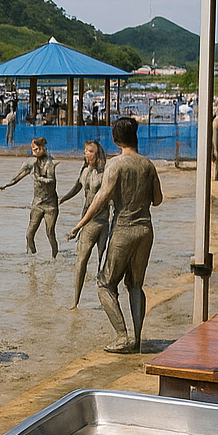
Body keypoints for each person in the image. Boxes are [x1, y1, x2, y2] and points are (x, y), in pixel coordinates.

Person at [69, 117, 163, 353]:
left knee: (105, 284)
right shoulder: (148, 164)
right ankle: (138, 339)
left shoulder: (116, 164)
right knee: (136, 285)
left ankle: (122, 336)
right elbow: (158, 200)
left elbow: (101, 199)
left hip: (123, 229)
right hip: (145, 230)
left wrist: (80, 223)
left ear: (115, 140)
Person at [59, 141, 109, 308]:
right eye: (85, 151)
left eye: (90, 151)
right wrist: (62, 199)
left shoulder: (106, 174)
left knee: (103, 265)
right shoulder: (85, 172)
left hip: (103, 222)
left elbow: (113, 200)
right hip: (87, 222)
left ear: (98, 154)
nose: (87, 155)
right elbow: (77, 188)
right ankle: (75, 302)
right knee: (80, 262)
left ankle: (106, 301)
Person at [1, 137, 60, 256]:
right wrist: (8, 184)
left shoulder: (49, 163)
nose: (34, 151)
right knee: (29, 234)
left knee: (50, 233)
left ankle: (55, 257)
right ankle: (32, 257)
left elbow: (51, 180)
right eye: (33, 149)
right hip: (37, 203)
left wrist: (39, 178)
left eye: (37, 149)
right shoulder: (31, 162)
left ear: (43, 149)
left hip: (50, 205)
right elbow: (20, 174)